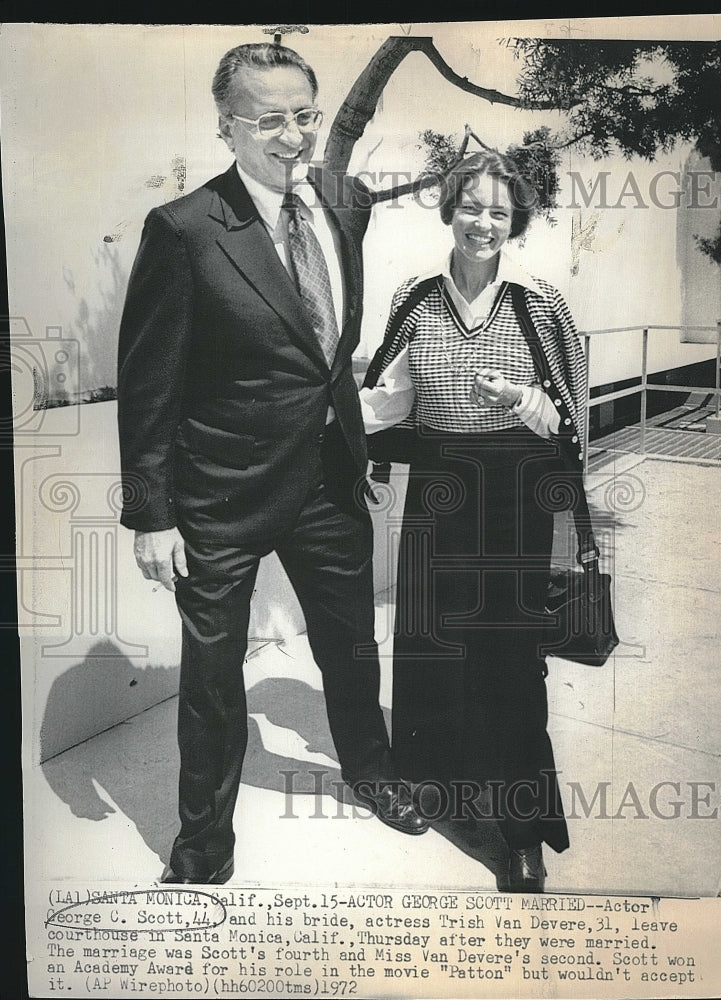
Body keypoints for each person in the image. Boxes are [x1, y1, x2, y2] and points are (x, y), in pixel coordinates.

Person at [117, 42, 428, 886]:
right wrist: (151, 512)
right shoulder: (183, 231)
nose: (292, 137)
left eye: (304, 116)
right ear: (226, 128)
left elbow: (330, 347)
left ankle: (374, 773)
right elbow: (148, 384)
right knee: (215, 682)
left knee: (351, 648)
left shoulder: (343, 203)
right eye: (269, 121)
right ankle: (201, 847)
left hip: (329, 479)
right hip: (218, 496)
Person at [360, 150, 588, 891]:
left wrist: (521, 397)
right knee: (429, 646)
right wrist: (337, 429)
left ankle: (521, 834)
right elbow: (387, 396)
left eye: (498, 211)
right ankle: (441, 791)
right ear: (449, 209)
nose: (483, 222)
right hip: (436, 486)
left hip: (514, 491)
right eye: (471, 206)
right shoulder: (416, 297)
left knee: (510, 659)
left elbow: (570, 421)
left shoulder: (538, 302)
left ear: (514, 221)